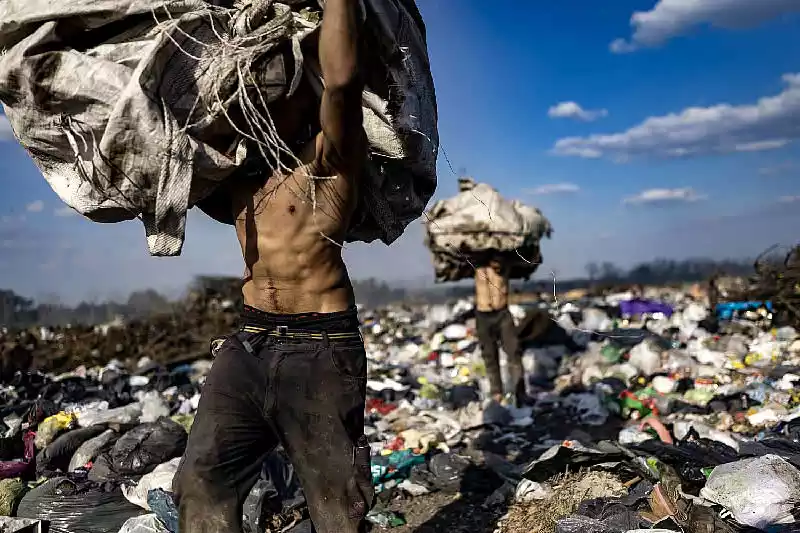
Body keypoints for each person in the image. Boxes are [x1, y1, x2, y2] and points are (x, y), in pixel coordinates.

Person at [173, 1, 373, 532]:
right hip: (250, 341)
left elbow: (344, 82)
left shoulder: (328, 164)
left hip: (320, 349)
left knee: (337, 505)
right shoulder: (236, 179)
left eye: (274, 87)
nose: (261, 101)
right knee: (199, 483)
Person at [474, 257, 527, 406]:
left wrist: (500, 263)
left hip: (502, 312)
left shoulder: (507, 263)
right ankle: (496, 393)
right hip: (482, 313)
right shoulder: (477, 263)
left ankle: (520, 393)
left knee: (513, 351)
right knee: (489, 355)